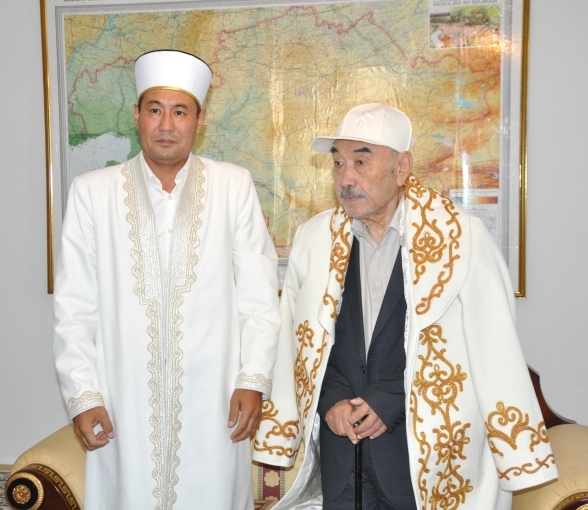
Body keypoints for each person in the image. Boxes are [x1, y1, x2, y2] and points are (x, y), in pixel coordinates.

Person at [252, 103, 558, 509]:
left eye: (361, 162)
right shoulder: (314, 238)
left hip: (424, 462)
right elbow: (301, 342)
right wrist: (331, 402)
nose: (346, 178)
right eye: (339, 162)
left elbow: (491, 350)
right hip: (341, 461)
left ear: (402, 168)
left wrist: (390, 399)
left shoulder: (461, 238)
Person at [53, 50, 281, 510]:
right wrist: (83, 395)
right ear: (137, 114)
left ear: (200, 121)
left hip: (217, 402)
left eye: (180, 112)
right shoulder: (92, 193)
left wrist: (253, 379)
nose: (166, 125)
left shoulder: (234, 186)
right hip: (123, 403)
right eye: (155, 110)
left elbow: (259, 299)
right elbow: (75, 306)